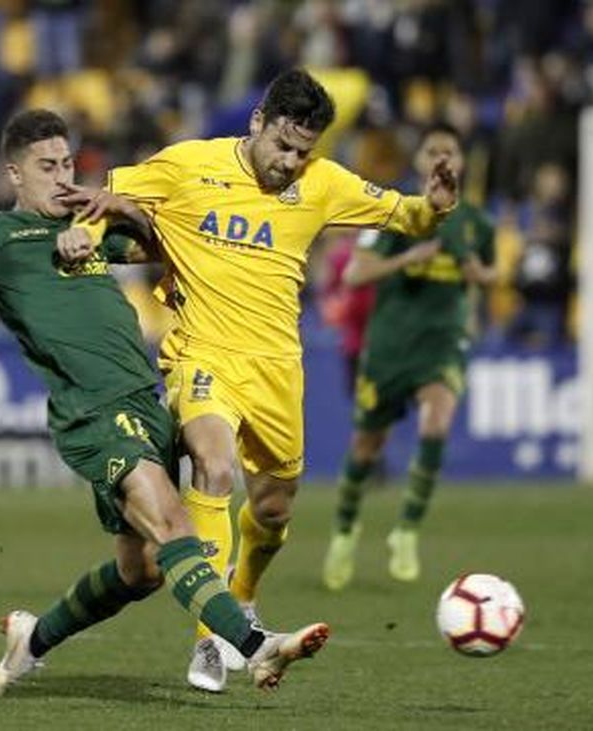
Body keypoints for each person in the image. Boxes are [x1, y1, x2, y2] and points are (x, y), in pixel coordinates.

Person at [0, 109, 329, 698]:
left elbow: (167, 245)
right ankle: (254, 646)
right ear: (15, 174)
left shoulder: (86, 224)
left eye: (68, 163)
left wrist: (115, 213)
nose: (62, 176)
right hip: (94, 412)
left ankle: (33, 639)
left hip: (144, 403)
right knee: (175, 524)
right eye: (47, 166)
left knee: (142, 570)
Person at [58, 68, 458, 692]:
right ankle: (211, 638)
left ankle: (242, 594)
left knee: (273, 510)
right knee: (214, 468)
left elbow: (403, 216)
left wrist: (433, 206)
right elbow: (106, 198)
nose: (290, 162)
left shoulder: (323, 183)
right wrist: (84, 232)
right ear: (257, 122)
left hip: (276, 369)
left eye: (303, 151)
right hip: (201, 356)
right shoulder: (189, 165)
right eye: (283, 145)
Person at [319, 123, 496, 591]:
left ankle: (407, 530)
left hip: (443, 342)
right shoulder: (395, 213)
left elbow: (491, 273)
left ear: (461, 161)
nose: (441, 158)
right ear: (419, 161)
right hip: (392, 346)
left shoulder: (478, 223)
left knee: (437, 422)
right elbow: (354, 275)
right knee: (366, 446)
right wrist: (407, 259)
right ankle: (344, 532)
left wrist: (479, 277)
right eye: (432, 150)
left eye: (449, 150)